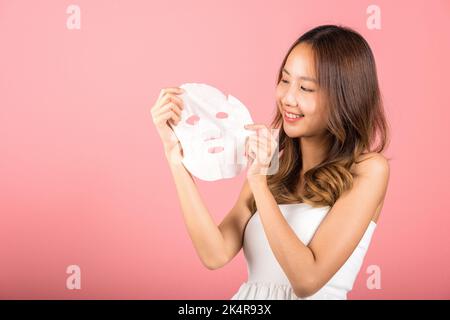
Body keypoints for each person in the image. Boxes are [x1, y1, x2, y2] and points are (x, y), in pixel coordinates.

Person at [150, 24, 390, 300]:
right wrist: (175, 155)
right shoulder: (273, 165)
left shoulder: (369, 170)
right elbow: (214, 254)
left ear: (345, 97)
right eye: (285, 80)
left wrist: (259, 183)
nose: (288, 98)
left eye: (306, 88)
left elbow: (306, 280)